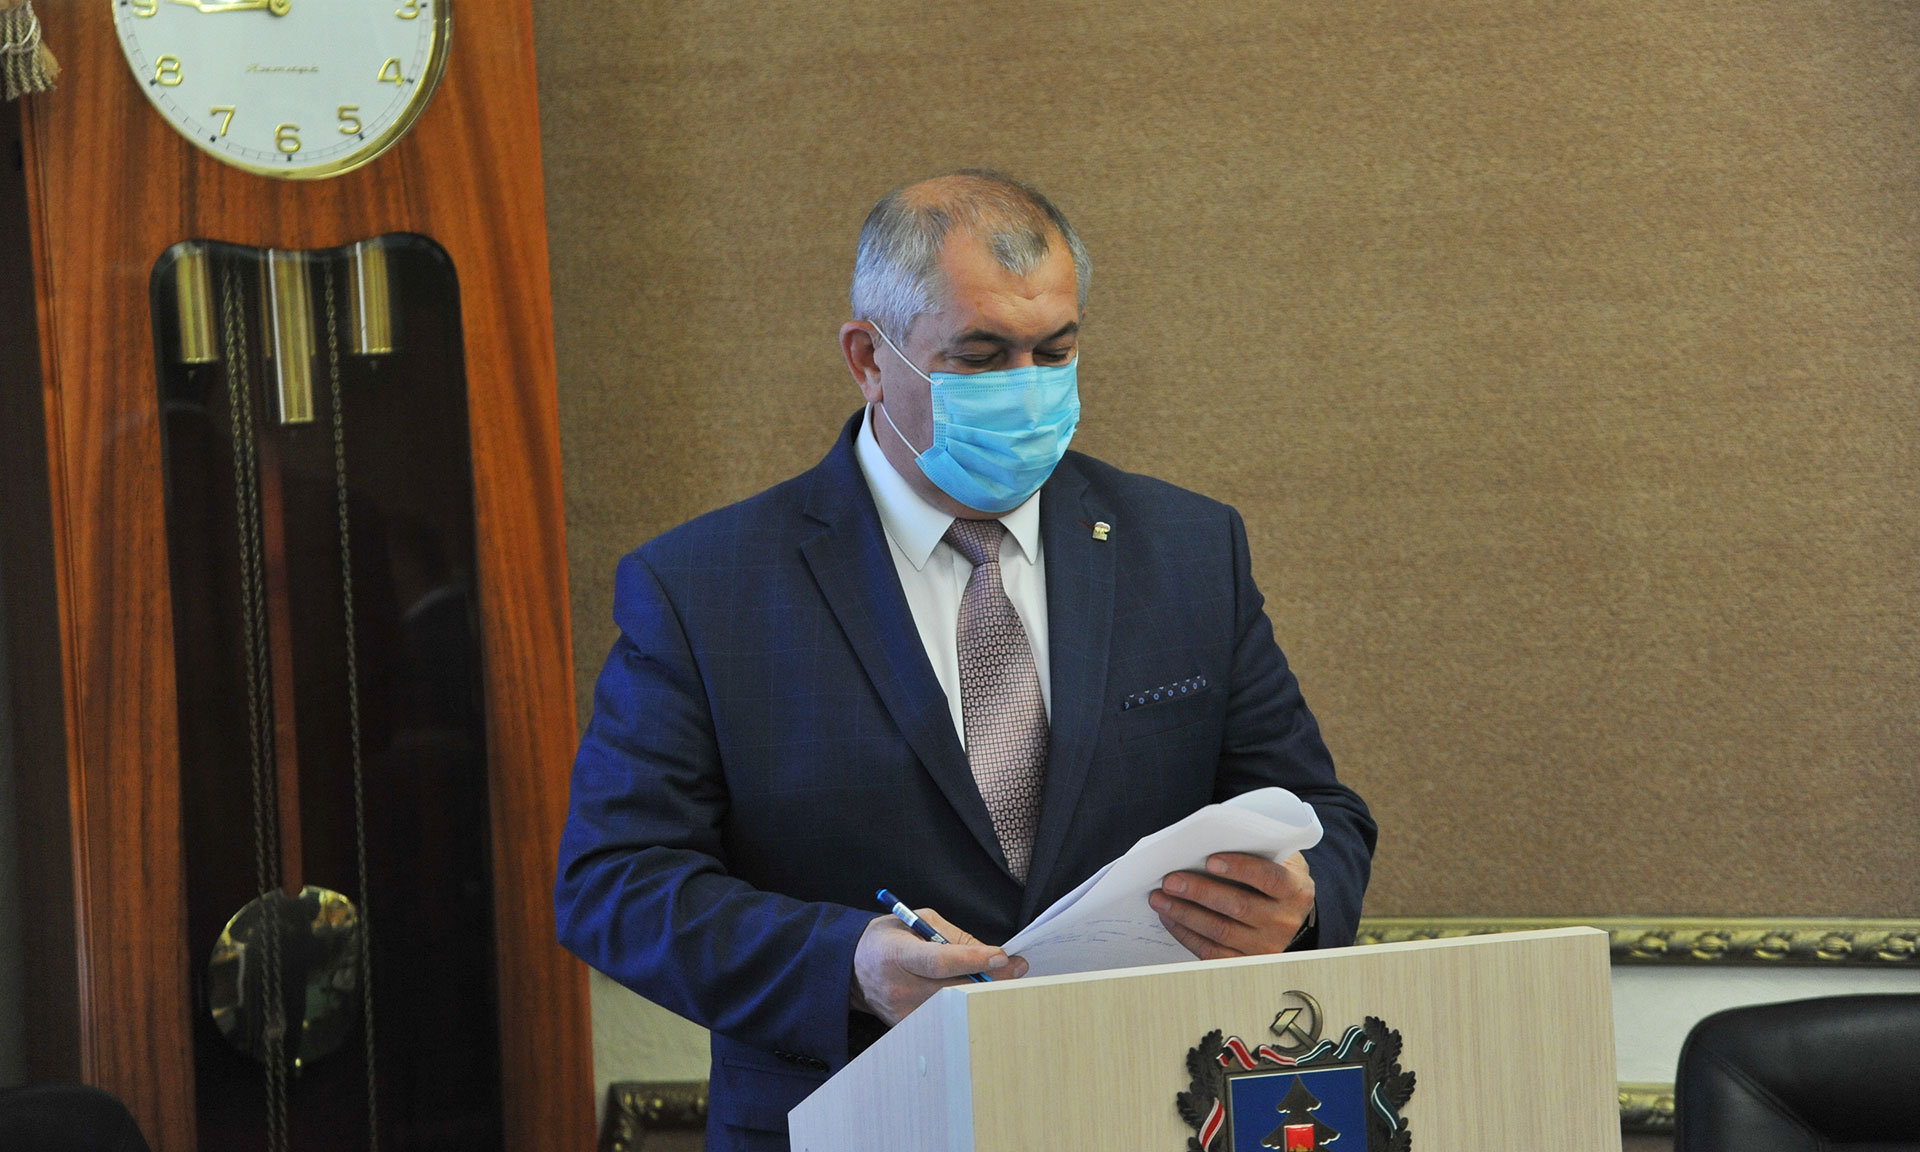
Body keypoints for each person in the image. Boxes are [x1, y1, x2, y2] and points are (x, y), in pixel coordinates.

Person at [555, 170, 1377, 1152]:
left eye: (1055, 351)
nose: (1027, 386)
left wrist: (1302, 904)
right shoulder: (704, 586)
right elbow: (615, 882)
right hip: (856, 1116)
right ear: (869, 359)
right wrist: (847, 962)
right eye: (982, 357)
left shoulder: (1188, 549)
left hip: (1144, 1105)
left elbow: (1319, 812)